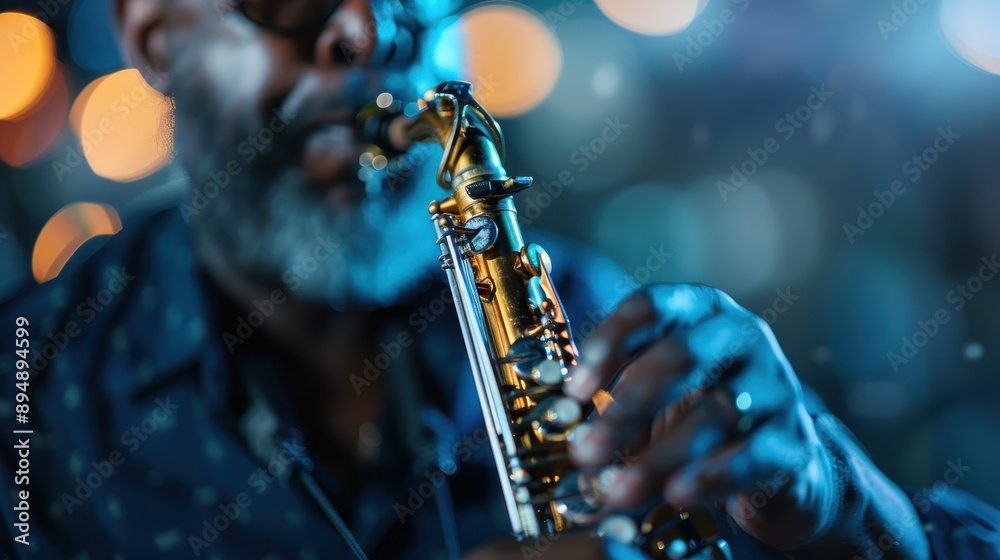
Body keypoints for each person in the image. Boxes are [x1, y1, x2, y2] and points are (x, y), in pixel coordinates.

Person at [1, 0, 998, 558]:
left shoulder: (585, 307)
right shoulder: (27, 393)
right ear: (152, 34)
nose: (372, 34)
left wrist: (850, 509)